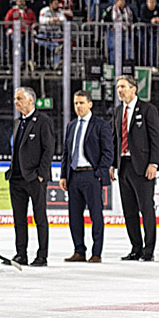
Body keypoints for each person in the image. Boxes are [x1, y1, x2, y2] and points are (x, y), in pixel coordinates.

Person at [110, 75, 159, 262]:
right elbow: (114, 139)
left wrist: (154, 163)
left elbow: (156, 138)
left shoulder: (148, 109)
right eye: (117, 87)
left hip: (142, 167)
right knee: (129, 210)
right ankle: (136, 248)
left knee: (146, 208)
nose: (119, 90)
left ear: (134, 89)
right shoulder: (117, 111)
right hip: (123, 167)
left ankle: (149, 250)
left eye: (123, 86)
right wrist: (112, 164)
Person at [59, 91, 113, 263]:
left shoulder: (101, 125)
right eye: (76, 103)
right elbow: (66, 153)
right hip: (74, 176)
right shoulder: (72, 125)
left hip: (91, 175)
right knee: (74, 216)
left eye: (81, 103)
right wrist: (63, 175)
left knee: (96, 215)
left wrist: (99, 173)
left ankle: (96, 252)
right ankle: (79, 251)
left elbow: (108, 152)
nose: (78, 106)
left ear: (90, 104)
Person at [6, 87, 54, 267]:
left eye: (19, 98)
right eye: (16, 98)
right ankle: (21, 254)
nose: (16, 102)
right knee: (19, 218)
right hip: (17, 178)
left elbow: (48, 149)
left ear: (30, 100)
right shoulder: (18, 122)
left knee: (40, 217)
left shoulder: (43, 121)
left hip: (34, 178)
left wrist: (41, 175)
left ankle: (42, 256)